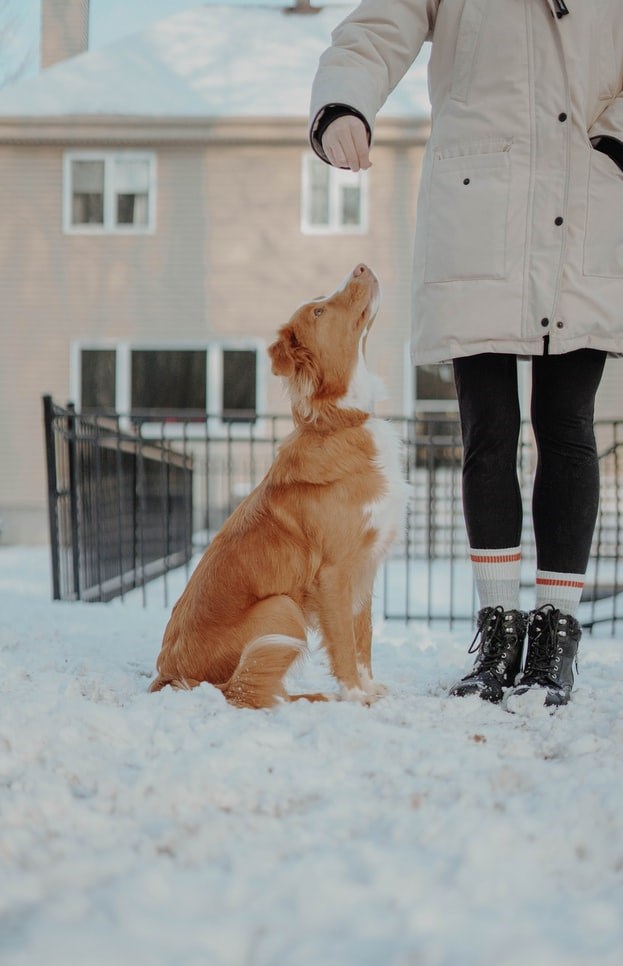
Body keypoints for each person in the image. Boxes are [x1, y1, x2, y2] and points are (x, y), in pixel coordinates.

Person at [309, 0, 623, 708]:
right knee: (487, 430)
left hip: (587, 205)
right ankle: (496, 627)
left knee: (566, 425)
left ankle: (555, 633)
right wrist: (341, 106)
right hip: (479, 210)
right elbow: (376, 29)